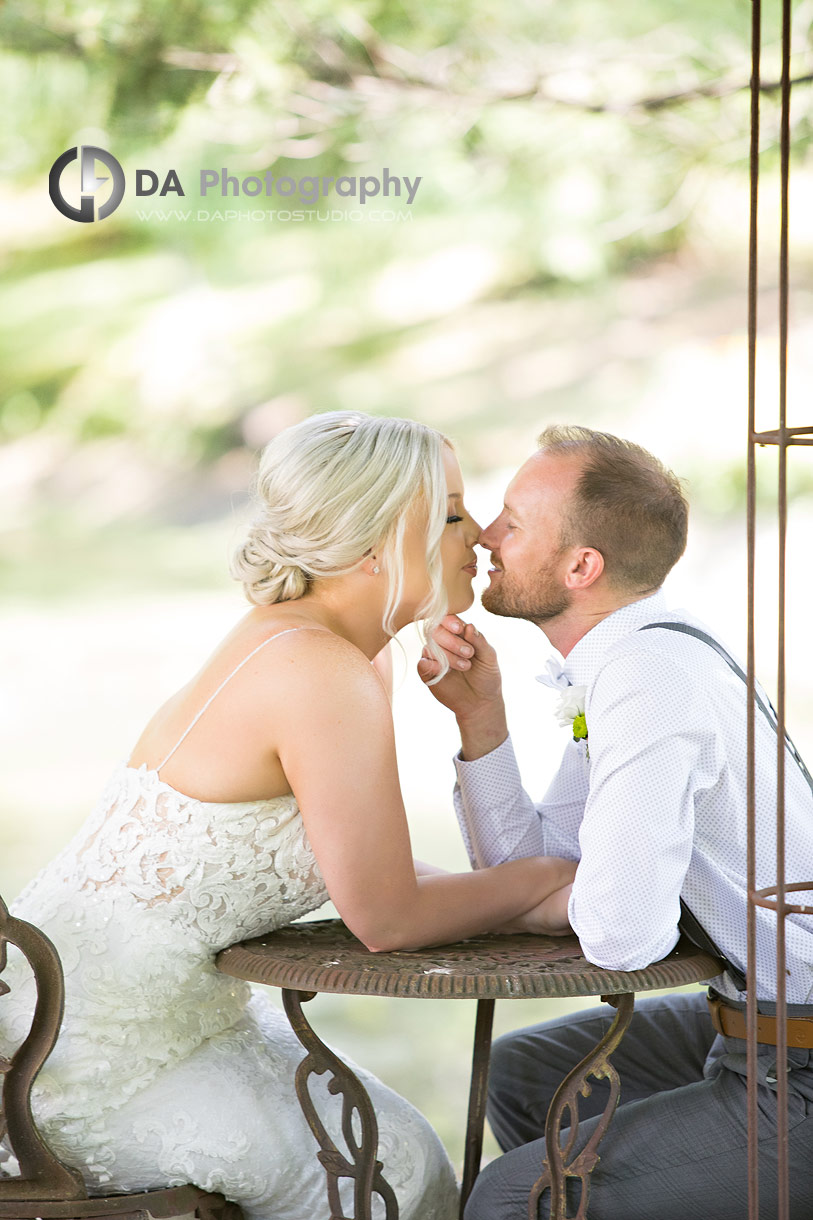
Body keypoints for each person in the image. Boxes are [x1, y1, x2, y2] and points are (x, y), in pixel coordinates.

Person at [0, 412, 577, 1220]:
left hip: (177, 1025)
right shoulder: (316, 671)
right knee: (385, 1176)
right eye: (450, 513)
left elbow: (359, 863)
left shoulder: (334, 652)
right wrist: (548, 879)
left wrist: (525, 894)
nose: (478, 532)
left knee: (400, 1156)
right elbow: (383, 916)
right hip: (83, 1058)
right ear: (374, 544)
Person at [419, 424, 813, 1220]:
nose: (487, 536)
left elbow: (620, 933)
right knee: (526, 1071)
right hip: (750, 1025)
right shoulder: (626, 663)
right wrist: (483, 728)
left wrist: (560, 891)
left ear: (580, 567)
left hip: (798, 1062)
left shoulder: (646, 678)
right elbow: (535, 863)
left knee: (507, 1199)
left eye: (512, 521)